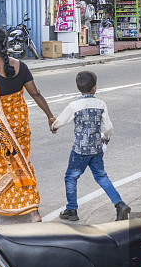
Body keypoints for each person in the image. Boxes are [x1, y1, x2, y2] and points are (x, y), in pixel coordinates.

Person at [0, 27, 55, 222]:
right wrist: (50, 116)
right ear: (5, 46)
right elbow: (36, 94)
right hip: (20, 127)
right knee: (21, 164)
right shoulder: (21, 67)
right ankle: (33, 211)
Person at [51, 70, 130, 222]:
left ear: (78, 87)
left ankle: (72, 209)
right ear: (94, 88)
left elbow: (61, 120)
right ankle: (119, 204)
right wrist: (106, 139)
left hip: (79, 150)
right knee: (101, 176)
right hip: (96, 149)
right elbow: (108, 128)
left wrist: (54, 127)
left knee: (71, 177)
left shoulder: (75, 105)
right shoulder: (101, 104)